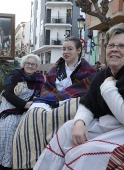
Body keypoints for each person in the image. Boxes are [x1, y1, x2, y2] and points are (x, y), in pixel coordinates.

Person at [33, 22, 124, 170]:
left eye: (121, 46)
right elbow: (88, 103)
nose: (115, 50)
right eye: (111, 45)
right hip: (106, 125)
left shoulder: (96, 75)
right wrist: (80, 122)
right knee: (67, 128)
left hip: (120, 130)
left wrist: (108, 89)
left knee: (88, 150)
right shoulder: (102, 75)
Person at [12, 36, 97, 169]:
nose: (66, 52)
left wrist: (60, 97)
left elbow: (86, 90)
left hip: (73, 100)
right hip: (51, 99)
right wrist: (52, 98)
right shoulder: (57, 67)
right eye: (63, 49)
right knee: (32, 115)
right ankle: (30, 160)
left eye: (70, 49)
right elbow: (47, 86)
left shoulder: (89, 70)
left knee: (65, 112)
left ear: (79, 50)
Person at [0, 54, 45, 170]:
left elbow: (42, 94)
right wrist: (24, 104)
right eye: (28, 63)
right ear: (23, 64)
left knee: (29, 129)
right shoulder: (15, 75)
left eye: (33, 64)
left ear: (36, 67)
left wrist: (34, 100)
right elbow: (7, 94)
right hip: (10, 108)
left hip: (28, 110)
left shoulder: (40, 79)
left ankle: (24, 163)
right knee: (8, 127)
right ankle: (5, 165)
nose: (30, 66)